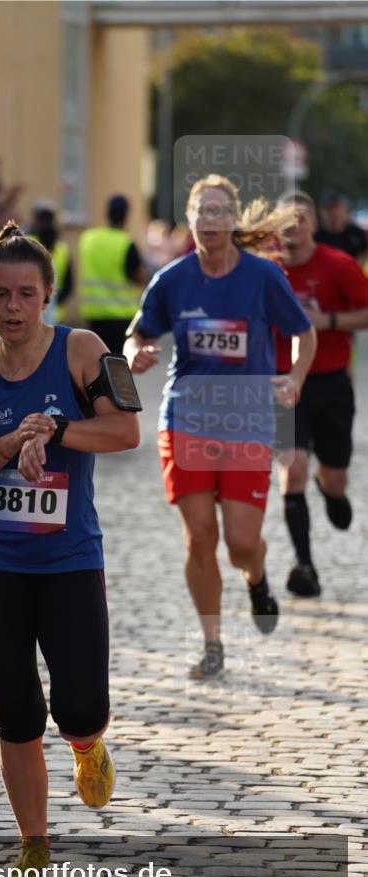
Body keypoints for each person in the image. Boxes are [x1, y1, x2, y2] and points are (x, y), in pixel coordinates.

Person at [0, 221, 140, 877]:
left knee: (79, 705)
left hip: (68, 559)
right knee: (16, 710)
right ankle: (33, 846)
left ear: (49, 295)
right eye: (1, 296)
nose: (14, 307)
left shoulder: (84, 351)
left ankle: (86, 746)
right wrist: (4, 446)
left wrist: (56, 428)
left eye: (26, 294)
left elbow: (127, 431)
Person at [125, 174, 316, 681]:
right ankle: (212, 644)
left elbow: (304, 332)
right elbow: (137, 332)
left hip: (247, 421)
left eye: (218, 212)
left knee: (240, 543)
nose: (209, 221)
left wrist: (294, 379)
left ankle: (256, 577)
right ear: (189, 220)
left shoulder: (262, 278)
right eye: (200, 212)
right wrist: (136, 353)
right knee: (199, 537)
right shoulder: (172, 279)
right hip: (184, 419)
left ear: (232, 221)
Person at [274, 192, 368, 597]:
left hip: (330, 381)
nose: (294, 226)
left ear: (313, 224)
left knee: (333, 477)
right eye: (286, 220)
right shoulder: (266, 270)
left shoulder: (337, 264)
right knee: (291, 470)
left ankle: (332, 490)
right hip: (282, 383)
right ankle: (305, 565)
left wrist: (326, 320)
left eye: (301, 219)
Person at [78, 194, 147, 355]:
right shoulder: (126, 243)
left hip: (94, 316)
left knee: (95, 365)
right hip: (121, 318)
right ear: (126, 216)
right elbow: (139, 277)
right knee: (117, 368)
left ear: (106, 213)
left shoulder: (87, 239)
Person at [315, 190, 368, 267]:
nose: (333, 213)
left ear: (345, 209)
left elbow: (364, 250)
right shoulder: (315, 237)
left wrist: (356, 266)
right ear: (320, 211)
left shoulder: (356, 232)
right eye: (328, 208)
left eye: (336, 207)